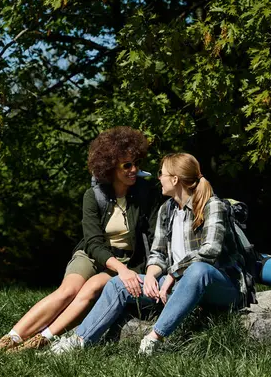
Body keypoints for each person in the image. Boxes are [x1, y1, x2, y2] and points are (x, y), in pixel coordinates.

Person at [0, 126, 157, 355]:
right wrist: (120, 269)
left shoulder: (145, 194)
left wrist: (131, 270)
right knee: (68, 290)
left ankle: (41, 340)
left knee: (91, 288)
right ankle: (8, 340)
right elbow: (93, 242)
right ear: (110, 166)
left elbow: (152, 237)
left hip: (128, 259)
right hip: (94, 254)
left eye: (136, 163)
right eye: (127, 165)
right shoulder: (94, 196)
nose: (134, 170)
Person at [49, 152, 248, 355]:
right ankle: (80, 340)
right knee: (118, 284)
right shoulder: (166, 209)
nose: (158, 178)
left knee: (198, 270)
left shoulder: (212, 205)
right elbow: (157, 253)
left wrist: (172, 274)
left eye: (162, 173)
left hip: (222, 287)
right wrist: (152, 276)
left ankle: (154, 339)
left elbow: (210, 251)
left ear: (175, 179)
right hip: (177, 285)